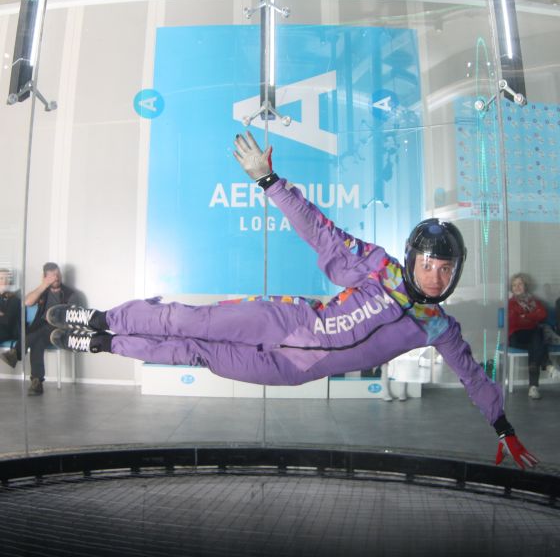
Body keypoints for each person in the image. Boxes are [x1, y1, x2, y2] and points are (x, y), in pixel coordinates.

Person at [47, 132, 537, 470]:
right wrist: (269, 182)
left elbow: (473, 376)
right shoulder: (377, 267)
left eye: (445, 270)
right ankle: (98, 317)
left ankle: (104, 344)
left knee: (193, 353)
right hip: (281, 320)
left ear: (455, 274)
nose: (434, 276)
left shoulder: (439, 328)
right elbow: (321, 233)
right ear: (412, 258)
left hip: (292, 370)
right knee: (186, 320)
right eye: (428, 264)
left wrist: (502, 425)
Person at [1, 262, 79, 395]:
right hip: (41, 332)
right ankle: (37, 382)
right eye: (52, 276)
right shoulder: (43, 292)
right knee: (38, 341)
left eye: (57, 274)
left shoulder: (70, 294)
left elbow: (71, 319)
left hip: (60, 331)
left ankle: (16, 354)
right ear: (44, 277)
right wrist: (44, 285)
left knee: (41, 332)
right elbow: (27, 302)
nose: (56, 278)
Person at [508, 273, 558, 400]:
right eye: (514, 285)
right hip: (516, 337)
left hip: (532, 337)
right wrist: (531, 316)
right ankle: (546, 367)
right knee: (537, 335)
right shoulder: (511, 303)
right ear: (511, 289)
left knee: (536, 340)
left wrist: (526, 316)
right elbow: (515, 322)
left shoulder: (534, 301)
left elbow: (543, 314)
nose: (517, 287)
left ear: (525, 286)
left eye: (520, 284)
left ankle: (534, 388)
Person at [0, 269, 21, 363]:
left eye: (6, 279)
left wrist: (3, 316)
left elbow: (7, 320)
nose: (4, 281)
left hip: (8, 330)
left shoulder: (14, 299)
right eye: (1, 278)